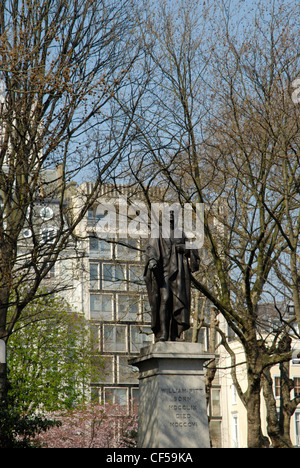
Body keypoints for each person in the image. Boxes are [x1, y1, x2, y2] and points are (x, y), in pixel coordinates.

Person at [144, 212, 200, 341]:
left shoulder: (181, 234)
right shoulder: (157, 232)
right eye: (168, 214)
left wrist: (185, 249)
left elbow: (192, 248)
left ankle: (174, 334)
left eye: (173, 214)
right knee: (165, 299)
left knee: (177, 302)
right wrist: (152, 259)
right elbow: (150, 248)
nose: (170, 216)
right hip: (162, 272)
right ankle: (163, 333)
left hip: (178, 273)